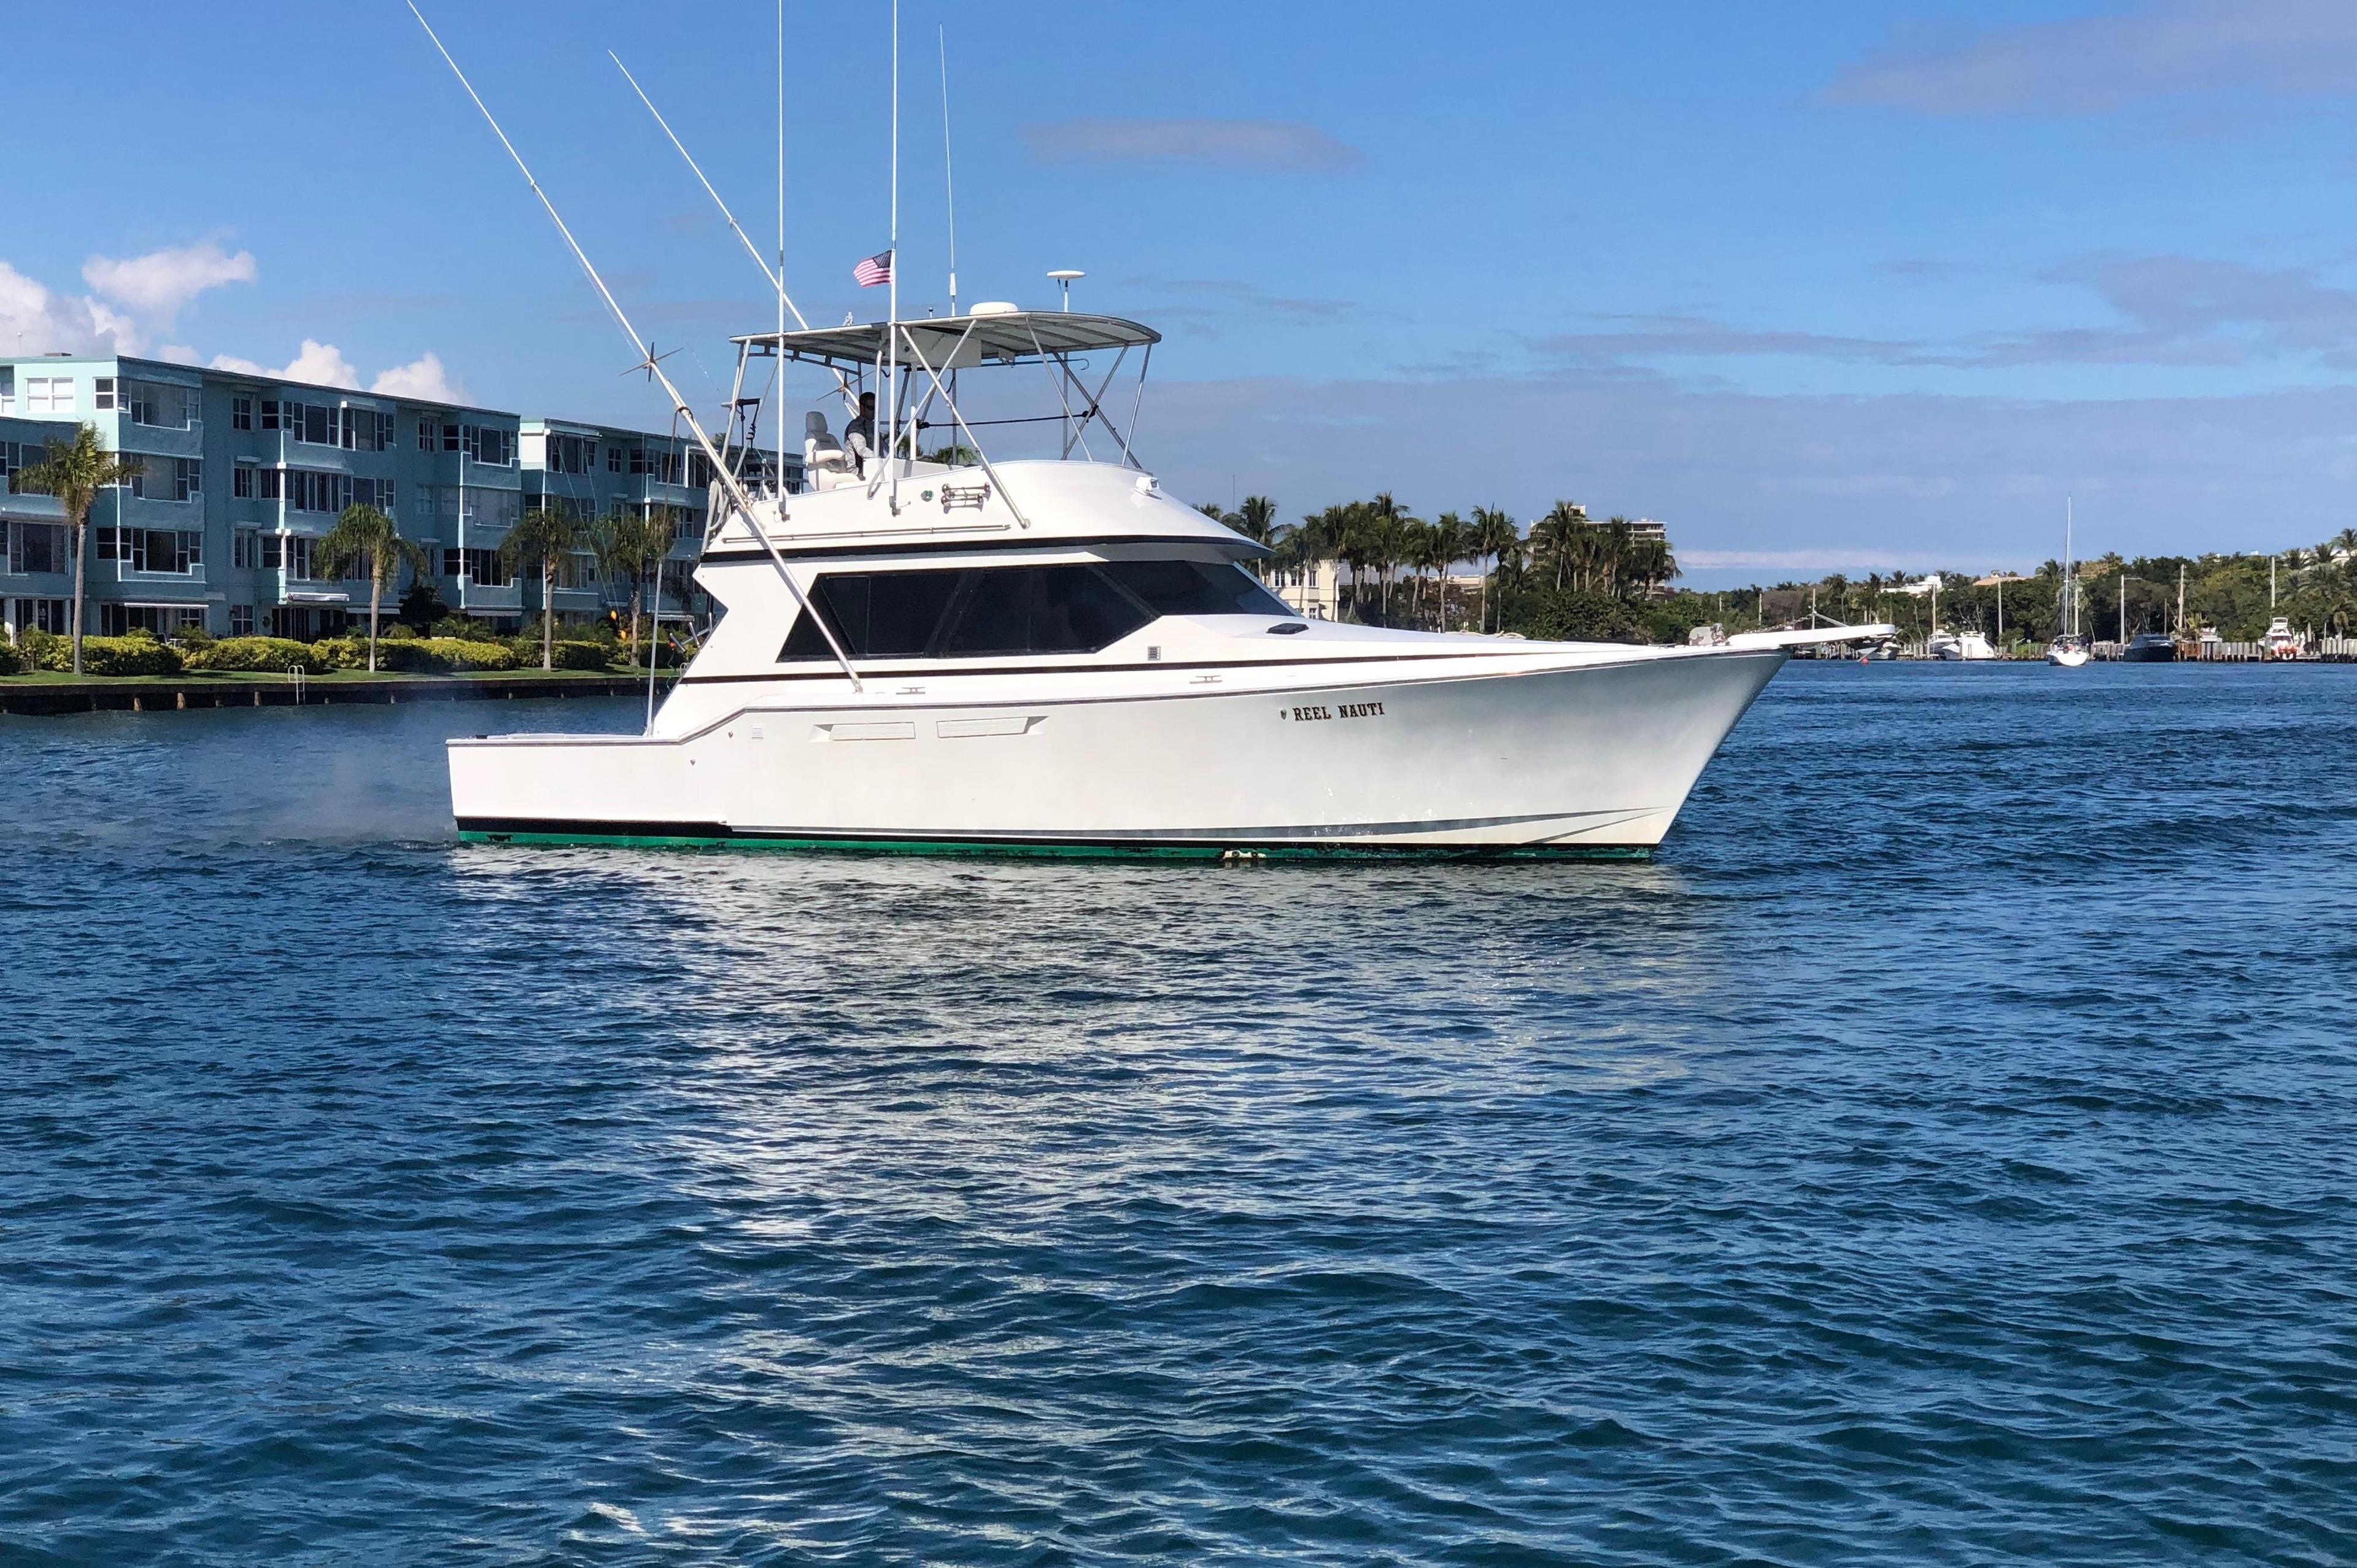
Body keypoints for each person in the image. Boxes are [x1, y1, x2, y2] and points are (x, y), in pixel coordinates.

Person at [843, 392, 877, 474]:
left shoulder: (872, 427)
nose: (874, 412)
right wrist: (880, 459)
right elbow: (862, 450)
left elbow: (884, 447)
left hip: (871, 469)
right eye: (871, 408)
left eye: (876, 408)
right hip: (858, 473)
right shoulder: (855, 427)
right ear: (862, 408)